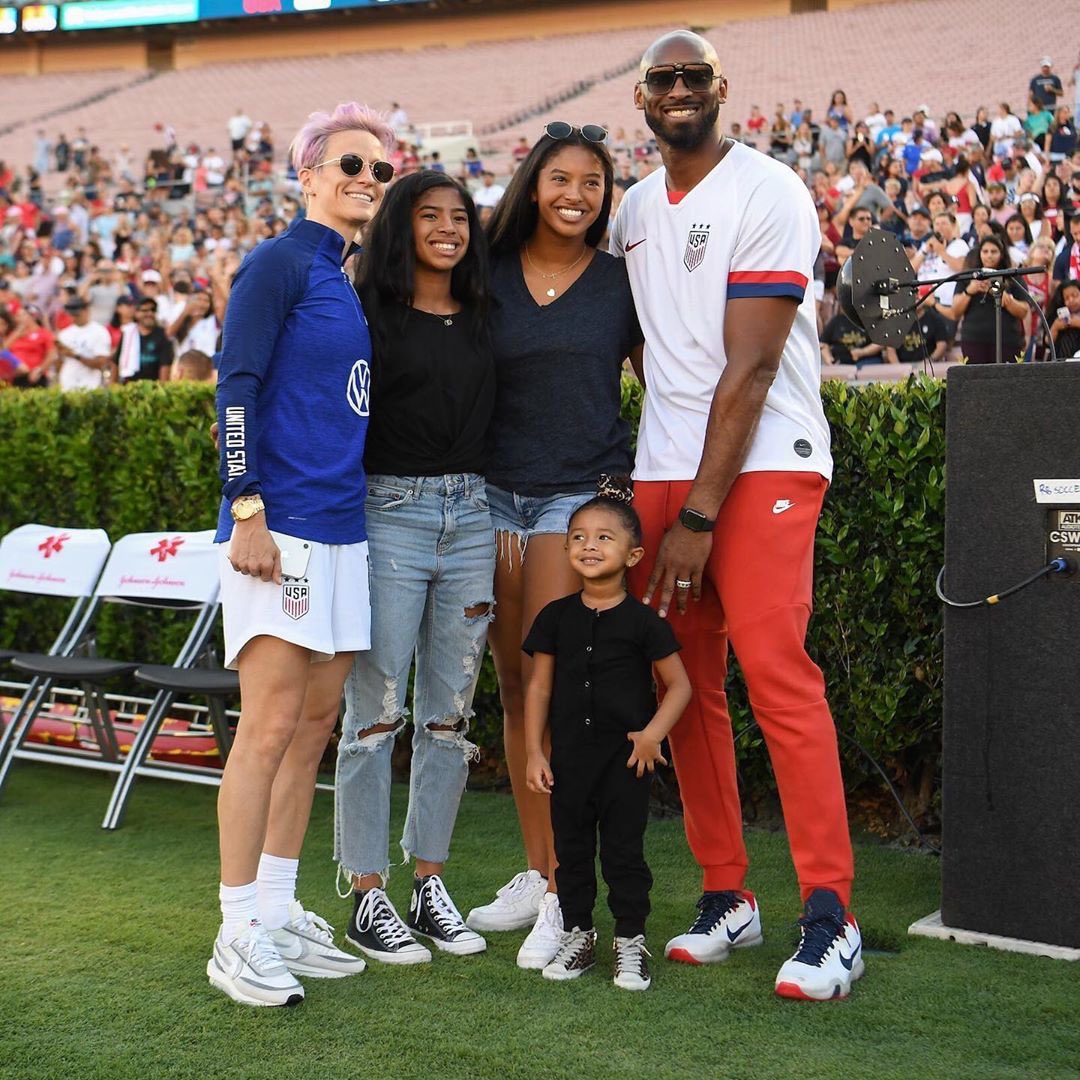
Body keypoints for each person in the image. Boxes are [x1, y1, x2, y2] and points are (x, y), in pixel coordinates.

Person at [609, 29, 863, 1002]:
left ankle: (830, 916)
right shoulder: (633, 205)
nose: (677, 91)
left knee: (777, 675)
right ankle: (728, 894)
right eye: (661, 79)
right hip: (666, 472)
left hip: (759, 467)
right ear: (641, 99)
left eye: (693, 77)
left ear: (723, 90)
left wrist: (700, 512)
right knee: (685, 688)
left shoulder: (769, 190)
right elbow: (646, 341)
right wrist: (668, 483)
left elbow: (751, 367)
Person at [208, 101, 394, 1008]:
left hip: (344, 530)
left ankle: (278, 909)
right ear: (309, 175)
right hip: (278, 532)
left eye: (378, 170)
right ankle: (236, 927)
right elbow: (234, 386)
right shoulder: (279, 263)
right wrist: (246, 508)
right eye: (350, 165)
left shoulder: (345, 279)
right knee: (269, 727)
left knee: (314, 727)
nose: (366, 179)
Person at [463, 122, 642, 972]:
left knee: (549, 680)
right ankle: (540, 876)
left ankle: (571, 892)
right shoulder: (486, 276)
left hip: (576, 494)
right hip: (490, 490)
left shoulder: (620, 282)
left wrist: (632, 491)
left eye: (593, 184)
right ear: (533, 184)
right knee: (511, 686)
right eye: (561, 179)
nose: (577, 195)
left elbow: (672, 380)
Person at [335, 171, 495, 964]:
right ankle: (367, 893)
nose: (447, 228)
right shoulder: (367, 315)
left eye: (459, 216)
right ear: (401, 226)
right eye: (429, 215)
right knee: (373, 715)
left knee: (449, 718)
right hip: (387, 516)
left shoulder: (486, 314)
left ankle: (429, 881)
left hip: (473, 518)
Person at [522, 492, 691, 990]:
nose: (588, 545)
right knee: (570, 853)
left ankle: (630, 941)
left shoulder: (644, 623)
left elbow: (679, 686)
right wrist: (535, 750)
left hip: (626, 763)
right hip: (568, 762)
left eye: (603, 537)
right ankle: (578, 934)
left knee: (623, 853)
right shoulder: (555, 617)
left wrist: (652, 735)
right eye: (578, 537)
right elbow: (540, 686)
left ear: (633, 555)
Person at [936, 234, 1028, 364]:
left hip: (1007, 341)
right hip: (973, 340)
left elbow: (1024, 311)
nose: (989, 255)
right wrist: (970, 291)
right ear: (979, 254)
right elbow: (955, 312)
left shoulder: (1013, 277)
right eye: (985, 251)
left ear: (1001, 254)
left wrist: (1004, 298)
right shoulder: (968, 276)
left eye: (994, 251)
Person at [55, 296, 112, 391]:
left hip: (91, 386)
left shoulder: (99, 332)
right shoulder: (64, 334)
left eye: (77, 315)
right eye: (71, 315)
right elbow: (59, 364)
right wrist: (59, 353)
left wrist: (75, 355)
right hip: (67, 385)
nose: (74, 318)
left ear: (86, 311)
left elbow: (102, 363)